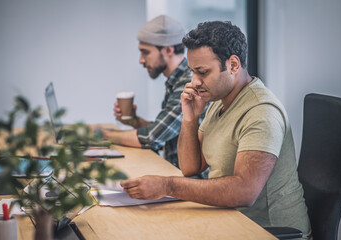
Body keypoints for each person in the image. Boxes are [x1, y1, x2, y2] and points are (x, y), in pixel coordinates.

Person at [120, 21, 312, 239]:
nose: (195, 82)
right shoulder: (218, 102)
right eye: (192, 72)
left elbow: (244, 192)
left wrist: (167, 185)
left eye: (202, 72)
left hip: (265, 231)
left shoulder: (262, 112)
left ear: (233, 65)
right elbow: (191, 167)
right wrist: (189, 118)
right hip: (229, 219)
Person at [101, 15, 206, 168]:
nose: (141, 60)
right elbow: (166, 131)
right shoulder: (175, 80)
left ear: (168, 50)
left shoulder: (188, 83)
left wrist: (103, 135)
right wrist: (135, 121)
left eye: (145, 52)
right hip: (175, 172)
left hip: (190, 181)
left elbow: (153, 138)